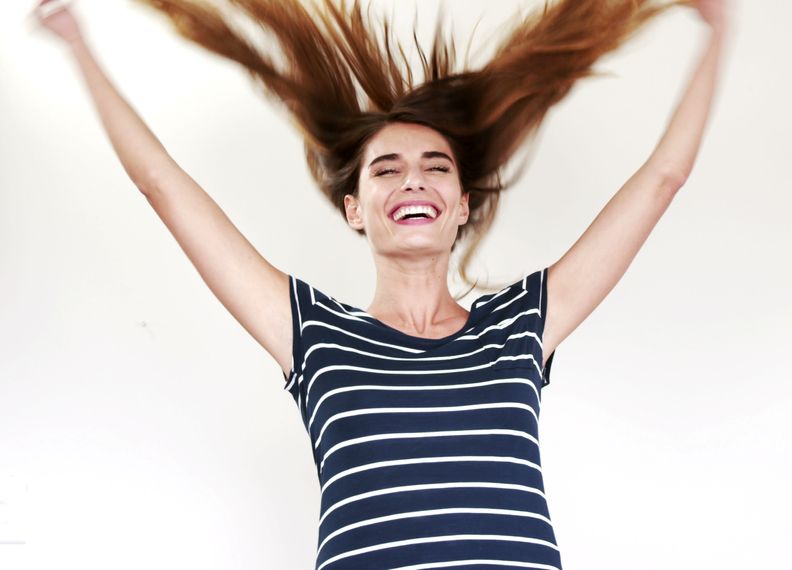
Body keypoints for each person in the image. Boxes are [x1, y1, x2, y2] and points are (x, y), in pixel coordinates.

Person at [33, 0, 730, 567]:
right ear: (354, 209)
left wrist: (716, 37)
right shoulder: (312, 334)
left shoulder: (522, 324)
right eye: (386, 169)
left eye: (435, 166)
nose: (413, 178)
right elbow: (162, 186)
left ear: (461, 206)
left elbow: (662, 180)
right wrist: (78, 47)